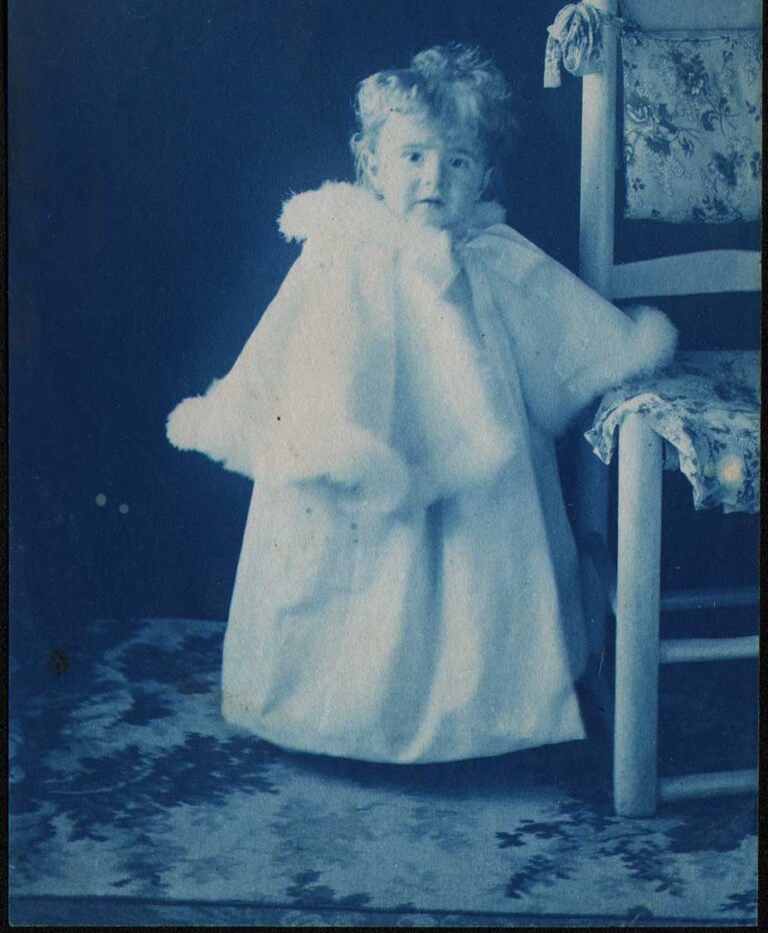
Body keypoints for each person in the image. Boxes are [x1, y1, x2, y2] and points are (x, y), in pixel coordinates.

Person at [167, 44, 676, 764]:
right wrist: (292, 427)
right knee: (343, 559)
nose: (433, 176)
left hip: (480, 465)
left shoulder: (489, 253)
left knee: (485, 548)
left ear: (482, 175)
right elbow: (288, 340)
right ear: (371, 165)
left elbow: (556, 324)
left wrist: (620, 351)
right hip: (359, 443)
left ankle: (491, 709)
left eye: (457, 160)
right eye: (412, 157)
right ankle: (329, 709)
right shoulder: (342, 248)